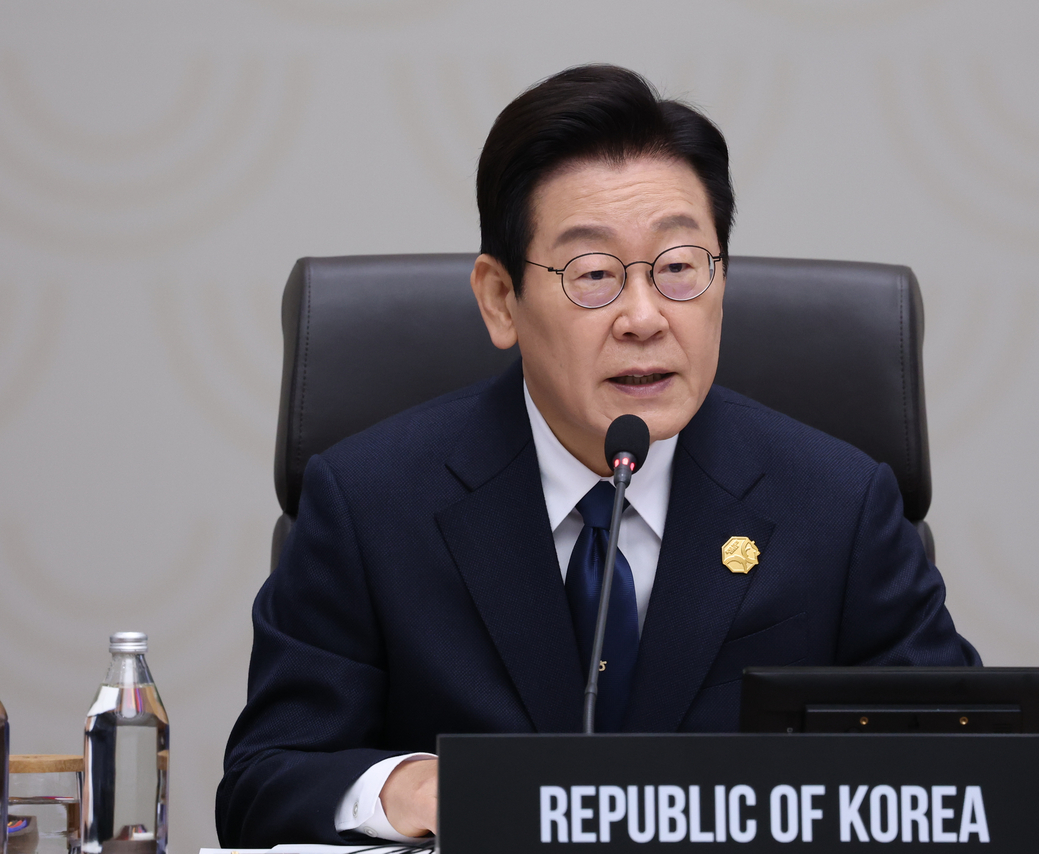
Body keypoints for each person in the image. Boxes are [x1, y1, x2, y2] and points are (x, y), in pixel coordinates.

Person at [216, 64, 980, 848]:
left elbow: (974, 777)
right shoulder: (370, 503)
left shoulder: (839, 505)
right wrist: (402, 788)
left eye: (680, 268)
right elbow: (264, 783)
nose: (644, 317)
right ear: (500, 301)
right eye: (594, 276)